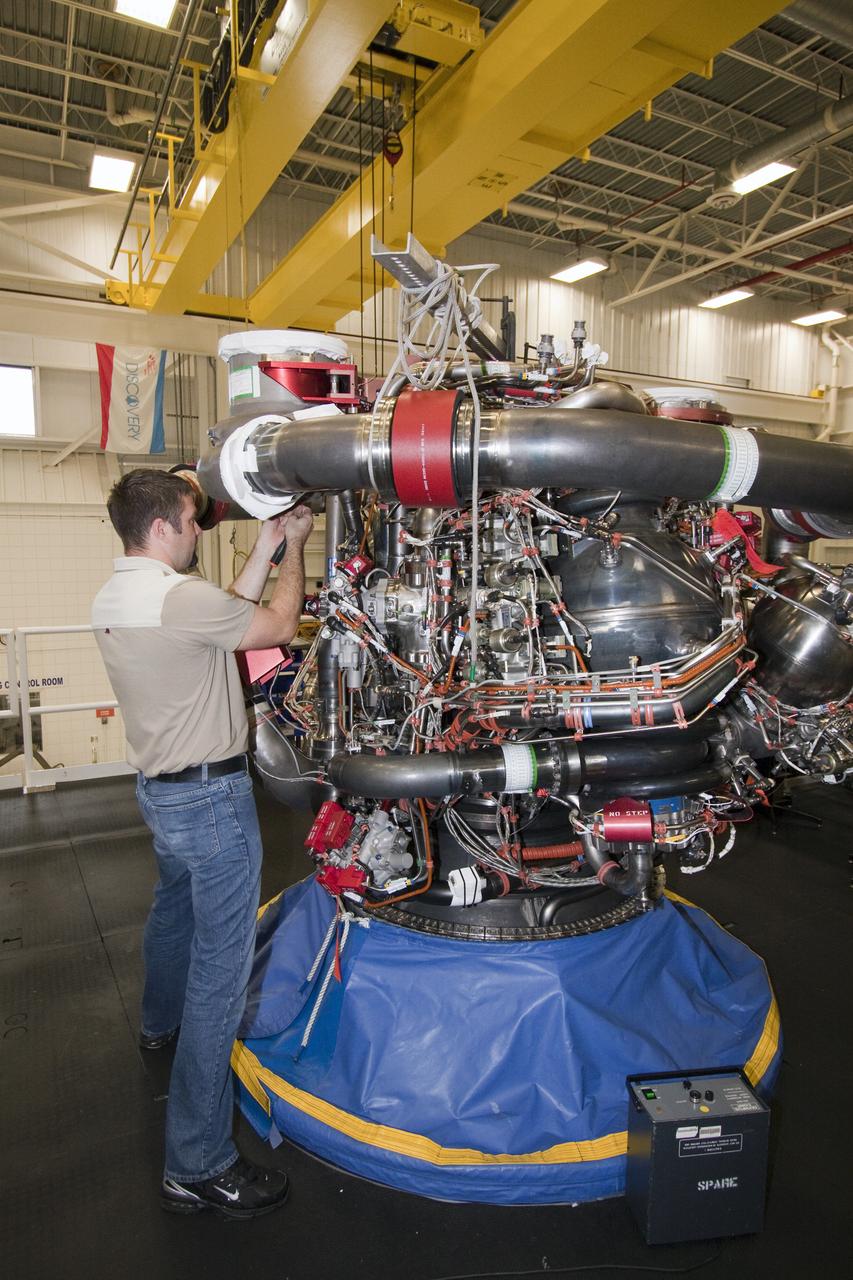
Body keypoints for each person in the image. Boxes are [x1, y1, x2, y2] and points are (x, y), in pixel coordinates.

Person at [91, 468, 313, 1220]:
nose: (197, 531)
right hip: (212, 803)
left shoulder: (120, 595)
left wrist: (267, 540)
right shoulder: (180, 600)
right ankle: (198, 1162)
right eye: (191, 521)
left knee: (173, 908)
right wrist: (296, 550)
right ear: (162, 528)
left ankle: (157, 1024)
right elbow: (274, 626)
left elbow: (223, 614)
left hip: (160, 793)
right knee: (218, 983)